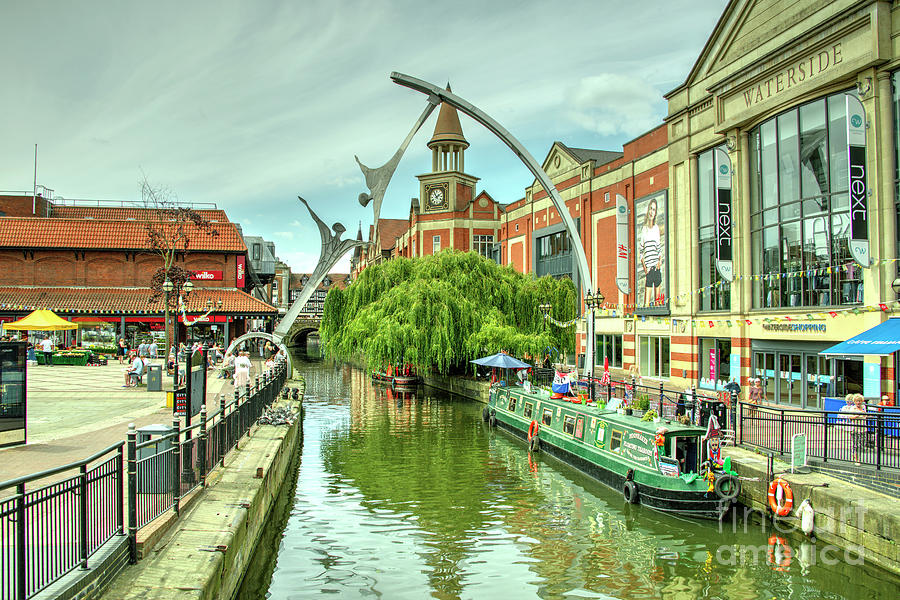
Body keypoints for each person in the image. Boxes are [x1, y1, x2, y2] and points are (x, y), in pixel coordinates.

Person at [639, 197, 662, 306]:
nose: (652, 212)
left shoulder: (656, 228)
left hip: (656, 267)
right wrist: (645, 268)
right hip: (649, 269)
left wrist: (659, 262)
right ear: (648, 210)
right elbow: (640, 251)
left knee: (658, 303)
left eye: (654, 210)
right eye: (651, 209)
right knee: (646, 304)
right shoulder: (643, 229)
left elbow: (659, 247)